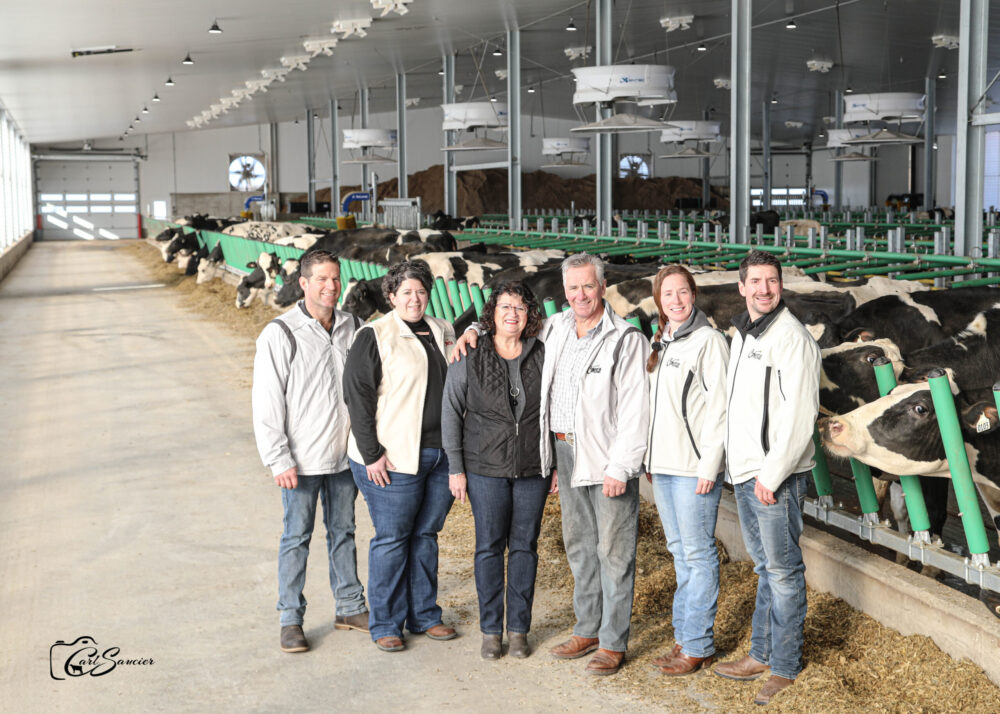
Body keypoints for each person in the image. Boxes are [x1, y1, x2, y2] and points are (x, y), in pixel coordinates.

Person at [454, 253, 650, 676]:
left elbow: (637, 409)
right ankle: (587, 628)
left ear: (603, 286)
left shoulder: (625, 339)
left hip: (606, 453)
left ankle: (613, 641)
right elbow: (509, 324)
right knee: (579, 545)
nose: (581, 294)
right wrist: (473, 329)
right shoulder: (558, 326)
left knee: (614, 551)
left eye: (588, 286)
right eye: (573, 287)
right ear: (565, 292)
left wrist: (622, 466)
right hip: (561, 450)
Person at [713, 250, 821, 706]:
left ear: (781, 285)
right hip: (746, 471)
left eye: (771, 281)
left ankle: (785, 666)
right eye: (755, 281)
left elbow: (801, 414)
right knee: (766, 568)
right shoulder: (744, 334)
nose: (763, 289)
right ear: (741, 287)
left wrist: (772, 475)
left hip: (773, 477)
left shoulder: (791, 337)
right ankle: (760, 653)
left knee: (783, 571)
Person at [251, 250, 369, 654]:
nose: (330, 286)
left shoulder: (355, 327)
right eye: (321, 279)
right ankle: (290, 619)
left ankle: (350, 606)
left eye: (335, 279)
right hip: (300, 461)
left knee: (345, 532)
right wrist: (278, 457)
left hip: (343, 456)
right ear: (303, 283)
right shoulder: (280, 333)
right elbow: (267, 402)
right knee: (296, 536)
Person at [343, 259, 457, 653]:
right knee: (393, 539)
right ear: (390, 296)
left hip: (440, 455)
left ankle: (424, 614)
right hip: (393, 458)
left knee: (425, 535)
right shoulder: (374, 335)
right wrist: (372, 454)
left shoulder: (443, 330)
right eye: (406, 292)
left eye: (421, 291)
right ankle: (386, 623)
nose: (415, 298)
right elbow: (356, 397)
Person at [441, 281, 556, 661]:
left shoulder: (544, 352)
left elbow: (553, 411)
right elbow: (451, 413)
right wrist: (456, 469)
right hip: (483, 467)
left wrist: (551, 461)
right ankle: (492, 630)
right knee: (489, 546)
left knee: (525, 547)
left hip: (531, 469)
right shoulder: (469, 354)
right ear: (492, 313)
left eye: (520, 308)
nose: (512, 314)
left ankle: (519, 629)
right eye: (505, 306)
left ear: (530, 316)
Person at [643, 265, 729, 676]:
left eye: (682, 292)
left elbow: (720, 410)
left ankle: (698, 645)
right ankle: (684, 636)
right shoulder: (661, 340)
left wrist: (710, 464)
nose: (675, 301)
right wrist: (649, 459)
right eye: (667, 294)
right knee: (679, 552)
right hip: (663, 467)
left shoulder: (709, 341)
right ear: (659, 300)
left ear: (693, 295)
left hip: (694, 468)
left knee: (698, 553)